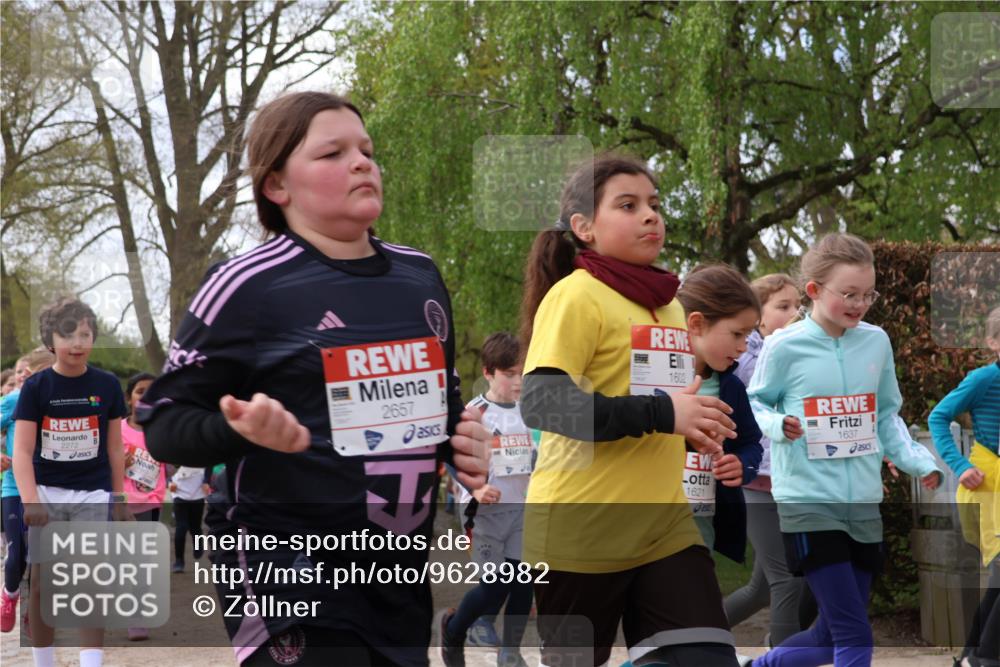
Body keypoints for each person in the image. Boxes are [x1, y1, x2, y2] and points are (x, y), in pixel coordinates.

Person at [136, 91, 489, 667]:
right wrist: (243, 432)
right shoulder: (246, 285)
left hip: (397, 578)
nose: (361, 163)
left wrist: (463, 443)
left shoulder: (420, 275)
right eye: (333, 153)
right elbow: (164, 423)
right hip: (284, 573)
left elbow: (436, 406)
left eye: (366, 150)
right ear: (277, 185)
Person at [518, 153, 741, 667]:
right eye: (628, 204)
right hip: (581, 531)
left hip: (664, 528)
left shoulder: (671, 306)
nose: (651, 216)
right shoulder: (576, 295)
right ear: (585, 227)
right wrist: (666, 415)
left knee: (707, 660)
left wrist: (692, 428)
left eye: (654, 204)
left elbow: (646, 404)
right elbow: (544, 403)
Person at [745, 233, 942, 667]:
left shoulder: (876, 342)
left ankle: (756, 666)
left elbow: (886, 414)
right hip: (808, 501)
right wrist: (778, 425)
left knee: (828, 635)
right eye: (848, 294)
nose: (859, 304)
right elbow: (754, 404)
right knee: (855, 634)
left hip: (863, 501)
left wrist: (918, 462)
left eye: (867, 294)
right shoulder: (784, 345)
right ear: (814, 291)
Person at [12, 297, 128, 667]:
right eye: (67, 335)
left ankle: (91, 662)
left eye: (85, 334)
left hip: (92, 493)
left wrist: (119, 496)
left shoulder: (107, 386)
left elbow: (114, 448)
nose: (77, 343)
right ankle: (43, 661)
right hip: (46, 493)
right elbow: (22, 451)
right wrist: (31, 500)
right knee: (44, 584)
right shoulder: (36, 388)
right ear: (50, 340)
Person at [724, 274, 817, 646]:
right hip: (757, 482)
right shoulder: (745, 358)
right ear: (756, 315)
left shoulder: (794, 350)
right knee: (789, 580)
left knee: (762, 589)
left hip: (790, 481)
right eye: (783, 307)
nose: (795, 313)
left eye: (798, 306)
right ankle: (782, 655)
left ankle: (686, 635)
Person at [441, 333, 535, 667]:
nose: (517, 381)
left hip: (524, 510)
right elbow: (453, 460)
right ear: (488, 373)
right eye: (509, 374)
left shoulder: (530, 412)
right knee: (495, 587)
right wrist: (478, 490)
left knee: (524, 583)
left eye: (521, 373)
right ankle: (453, 630)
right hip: (484, 513)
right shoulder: (474, 412)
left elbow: (539, 458)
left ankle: (511, 652)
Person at [674, 264, 764, 560]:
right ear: (696, 323)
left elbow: (751, 444)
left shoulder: (731, 388)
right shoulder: (649, 377)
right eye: (737, 334)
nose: (742, 347)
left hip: (702, 533)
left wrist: (741, 464)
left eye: (748, 336)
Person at [929, 305, 1000, 667]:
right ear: (993, 342)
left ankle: (971, 657)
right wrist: (960, 465)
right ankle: (985, 658)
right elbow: (938, 417)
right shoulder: (984, 379)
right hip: (990, 485)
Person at [1, 348, 55, 634]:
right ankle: (9, 595)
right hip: (13, 488)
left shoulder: (59, 403)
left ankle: (32, 613)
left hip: (45, 488)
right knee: (16, 555)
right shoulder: (13, 401)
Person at [120, 371, 166, 641]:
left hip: (150, 502)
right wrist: (119, 463)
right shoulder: (117, 428)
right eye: (140, 391)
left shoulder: (160, 431)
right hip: (122, 503)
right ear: (129, 399)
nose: (146, 397)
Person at [167, 464, 212, 573]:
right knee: (181, 527)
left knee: (195, 526)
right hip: (179, 491)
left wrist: (206, 481)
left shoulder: (202, 449)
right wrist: (168, 481)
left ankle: (198, 545)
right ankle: (179, 561)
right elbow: (167, 465)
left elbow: (209, 464)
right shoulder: (176, 449)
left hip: (198, 492)